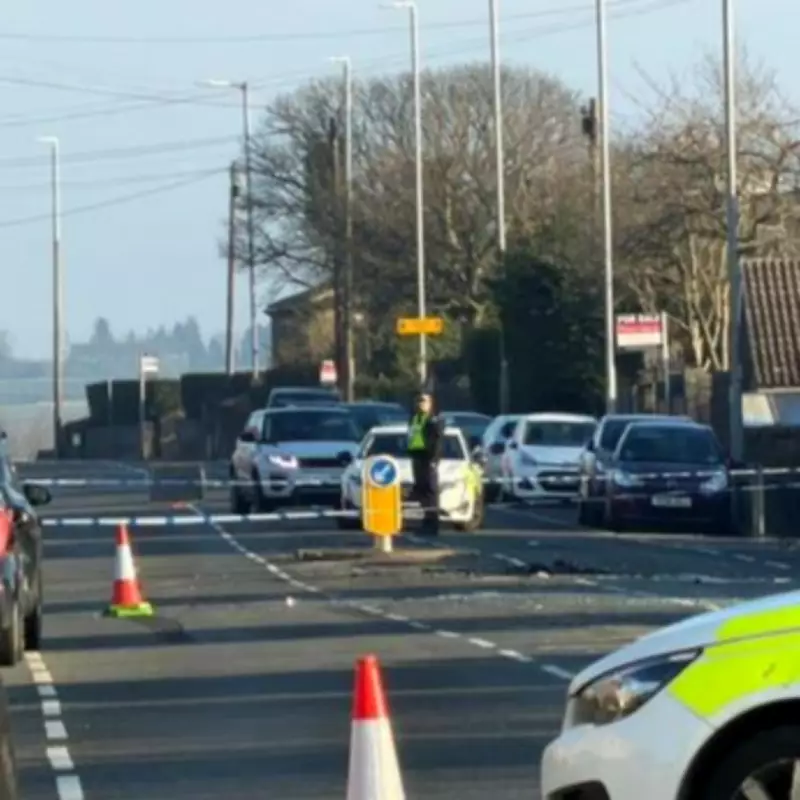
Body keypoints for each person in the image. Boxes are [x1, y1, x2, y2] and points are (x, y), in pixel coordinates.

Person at [407, 393, 443, 536]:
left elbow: (437, 441)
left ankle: (433, 524)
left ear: (430, 404)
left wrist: (434, 460)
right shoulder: (414, 419)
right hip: (417, 458)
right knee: (421, 491)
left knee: (431, 491)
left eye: (424, 401)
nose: (420, 404)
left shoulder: (433, 420)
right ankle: (425, 522)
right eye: (418, 401)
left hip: (428, 459)